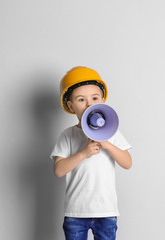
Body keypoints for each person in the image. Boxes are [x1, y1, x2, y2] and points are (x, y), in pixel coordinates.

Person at [50, 66, 132, 240]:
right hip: (76, 213)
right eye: (81, 99)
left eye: (94, 98)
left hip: (106, 211)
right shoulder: (68, 135)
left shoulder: (112, 132)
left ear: (102, 99)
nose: (89, 104)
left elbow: (127, 163)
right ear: (71, 106)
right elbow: (58, 170)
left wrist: (107, 144)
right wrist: (82, 153)